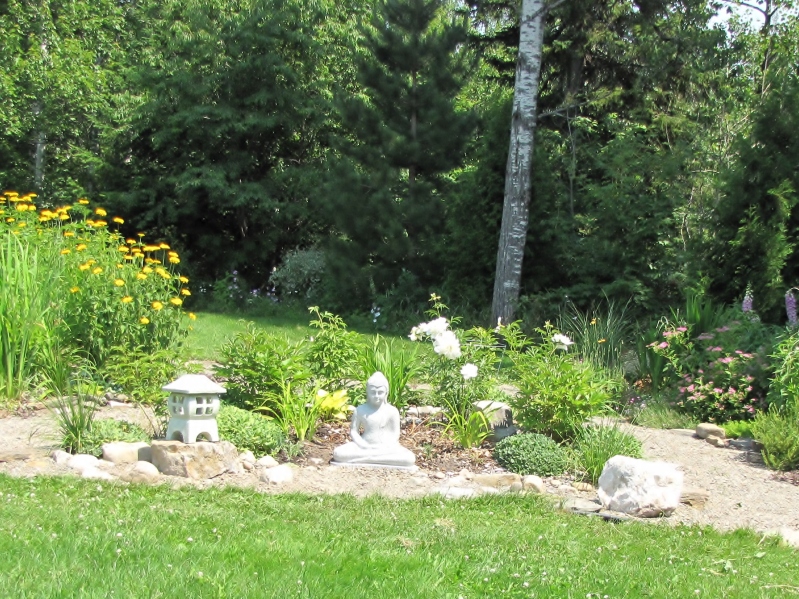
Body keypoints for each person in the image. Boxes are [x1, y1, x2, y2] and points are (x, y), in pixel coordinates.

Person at [331, 371, 416, 469]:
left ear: (386, 393)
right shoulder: (360, 410)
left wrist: (386, 446)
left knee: (409, 458)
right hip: (364, 446)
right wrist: (363, 445)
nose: (376, 396)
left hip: (386, 449)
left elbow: (395, 433)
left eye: (380, 392)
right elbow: (354, 431)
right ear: (367, 392)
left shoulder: (392, 411)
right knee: (339, 454)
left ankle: (369, 459)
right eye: (373, 392)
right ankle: (376, 459)